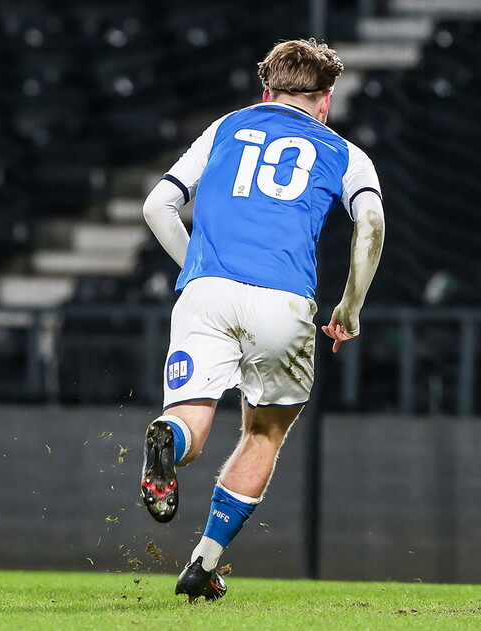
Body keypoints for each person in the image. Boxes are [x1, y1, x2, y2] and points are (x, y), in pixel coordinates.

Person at [139, 39, 384, 601]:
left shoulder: (227, 125)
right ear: (325, 100)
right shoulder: (346, 153)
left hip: (207, 293)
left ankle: (165, 444)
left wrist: (199, 268)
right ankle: (203, 563)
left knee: (190, 421)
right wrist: (349, 308)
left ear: (266, 91)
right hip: (284, 301)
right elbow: (369, 227)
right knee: (264, 431)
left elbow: (157, 205)